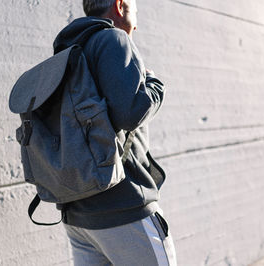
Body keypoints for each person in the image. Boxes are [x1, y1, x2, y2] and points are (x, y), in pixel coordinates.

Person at [53, 0, 177, 265]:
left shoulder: (68, 50)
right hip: (125, 211)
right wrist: (154, 84)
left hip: (79, 216)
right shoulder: (113, 38)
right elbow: (131, 113)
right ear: (120, 6)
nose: (138, 24)